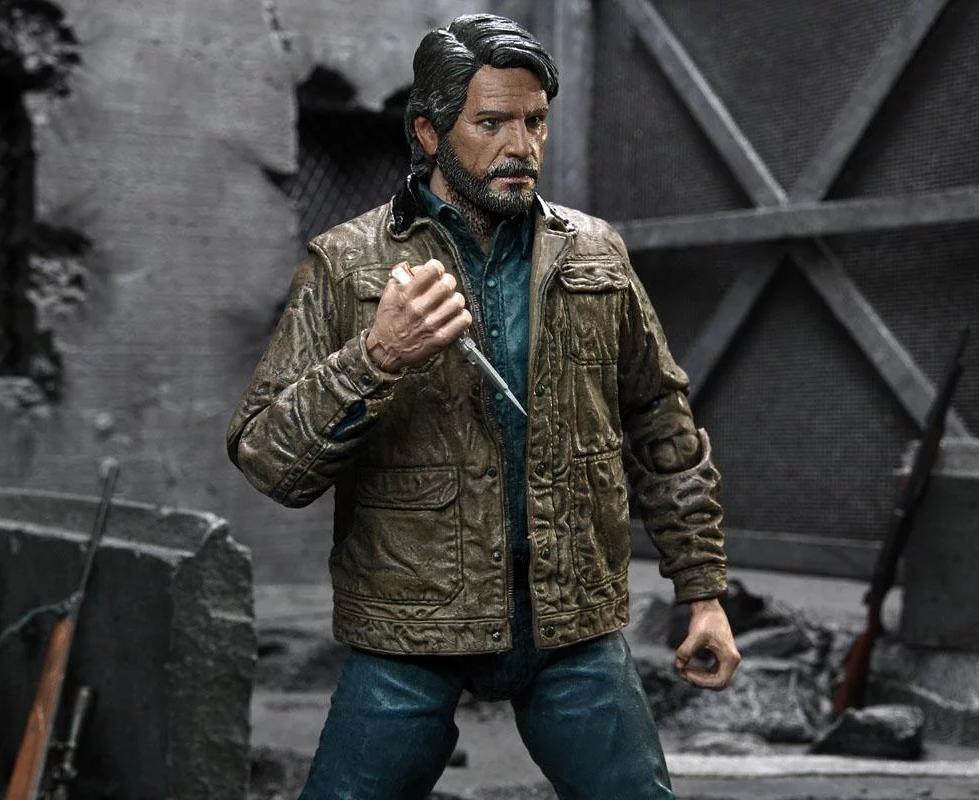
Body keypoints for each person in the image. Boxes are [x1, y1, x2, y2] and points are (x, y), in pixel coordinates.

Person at [228, 13, 740, 800]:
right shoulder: (348, 264)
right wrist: (376, 356)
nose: (521, 146)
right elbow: (268, 457)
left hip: (570, 622)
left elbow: (661, 425)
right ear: (429, 132)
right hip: (411, 626)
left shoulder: (595, 254)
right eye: (492, 122)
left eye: (535, 121)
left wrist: (703, 593)